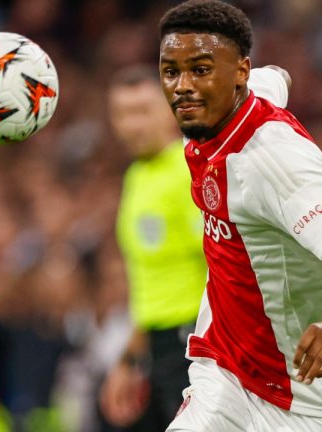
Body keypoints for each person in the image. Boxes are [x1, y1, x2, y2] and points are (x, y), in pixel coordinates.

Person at [157, 1, 322, 431]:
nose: (182, 87)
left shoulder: (271, 159)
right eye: (171, 71)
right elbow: (278, 77)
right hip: (229, 372)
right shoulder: (236, 99)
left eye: (201, 70)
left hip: (319, 399)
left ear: (240, 72)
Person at [99, 65, 207, 431]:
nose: (132, 125)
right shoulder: (137, 176)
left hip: (198, 342)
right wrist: (130, 358)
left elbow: (222, 262)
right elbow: (149, 283)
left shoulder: (190, 170)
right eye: (123, 114)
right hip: (160, 345)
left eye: (142, 111)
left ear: (170, 109)